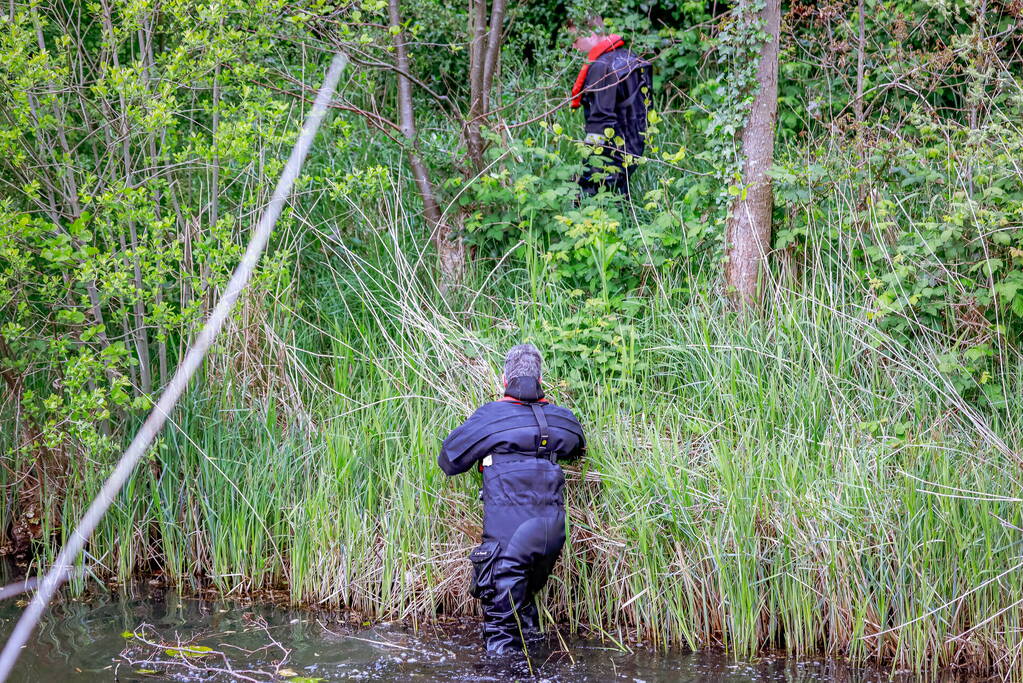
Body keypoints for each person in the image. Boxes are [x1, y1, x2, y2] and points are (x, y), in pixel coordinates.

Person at [438, 344, 586, 655]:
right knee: (525, 616)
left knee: (502, 633)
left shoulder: (492, 418)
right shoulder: (563, 420)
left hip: (510, 538)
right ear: (540, 378)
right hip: (552, 535)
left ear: (505, 380)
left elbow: (449, 460)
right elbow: (577, 447)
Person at [568, 17, 653, 196]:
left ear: (590, 35)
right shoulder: (631, 57)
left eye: (575, 40)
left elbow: (600, 121)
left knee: (585, 196)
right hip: (635, 147)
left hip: (610, 153)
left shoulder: (602, 67)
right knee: (618, 198)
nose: (574, 47)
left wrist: (588, 161)